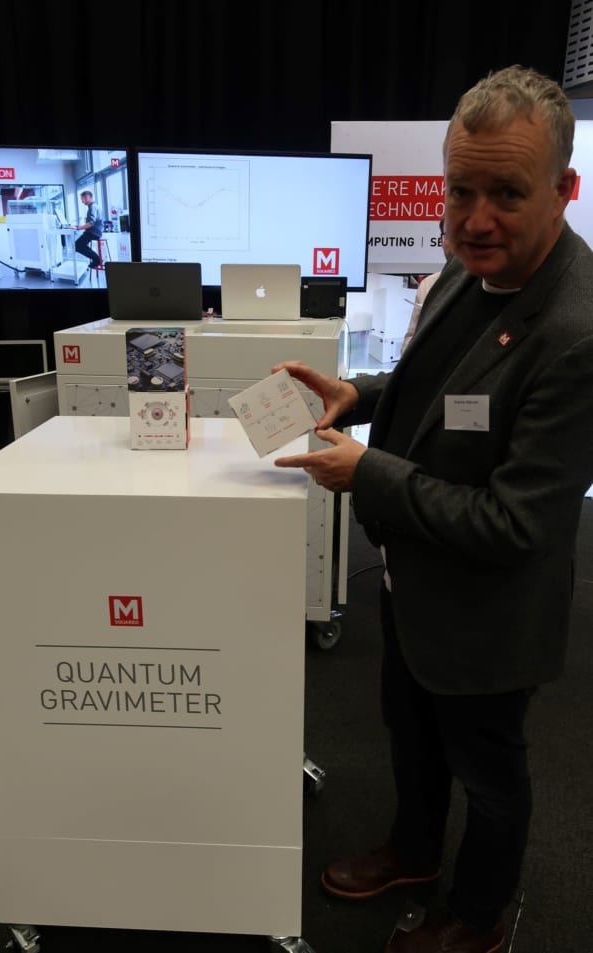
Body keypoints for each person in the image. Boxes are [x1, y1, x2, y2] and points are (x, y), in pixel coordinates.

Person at [272, 65, 593, 953]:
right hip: (414, 581)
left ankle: (479, 918)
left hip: (491, 613)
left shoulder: (578, 334)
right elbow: (443, 388)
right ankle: (413, 851)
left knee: (488, 771)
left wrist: (366, 474)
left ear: (563, 192)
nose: (474, 216)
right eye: (460, 190)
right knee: (409, 735)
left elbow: (515, 523)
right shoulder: (466, 264)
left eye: (505, 193)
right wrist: (359, 393)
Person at [401, 219, 453, 354]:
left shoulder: (493, 284)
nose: (456, 243)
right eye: (450, 235)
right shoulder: (428, 285)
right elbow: (411, 338)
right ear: (442, 241)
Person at [73, 189, 103, 269]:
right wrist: (80, 227)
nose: (82, 201)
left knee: (76, 245)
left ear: (87, 197)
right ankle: (96, 259)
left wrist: (79, 227)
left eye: (82, 199)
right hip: (95, 231)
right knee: (79, 244)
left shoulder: (92, 207)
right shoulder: (94, 206)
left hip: (93, 232)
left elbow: (91, 223)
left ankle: (97, 259)